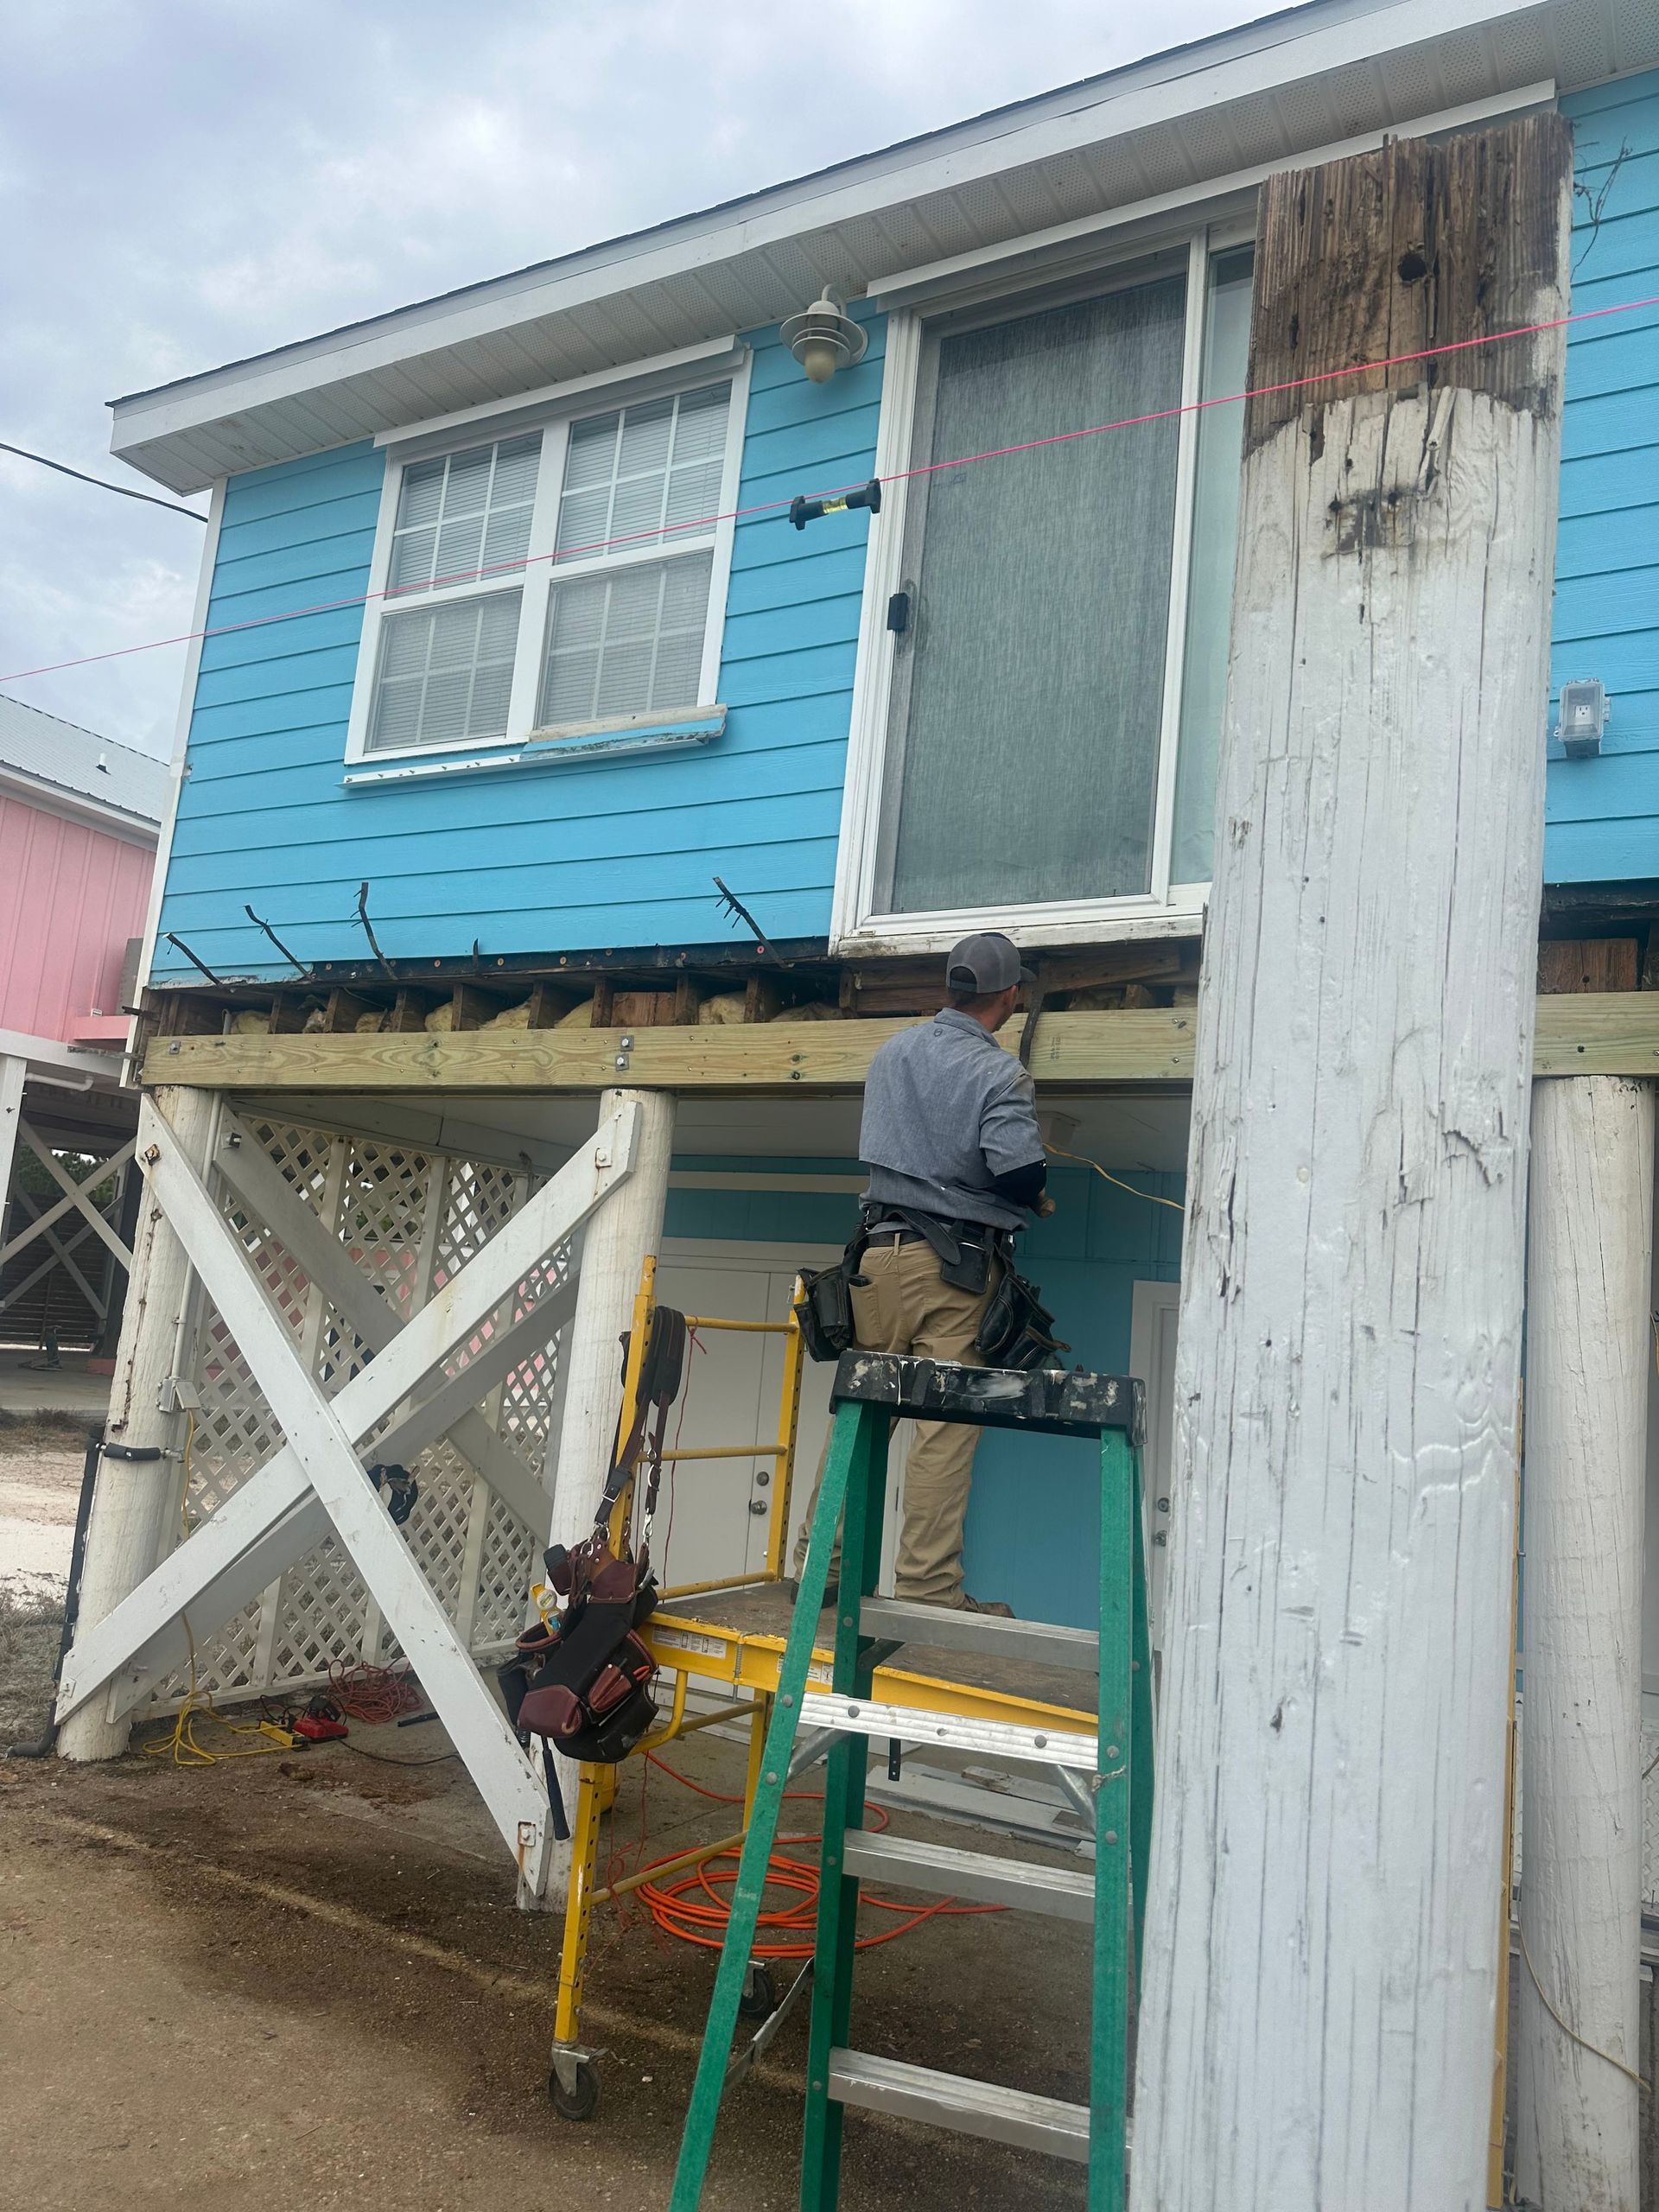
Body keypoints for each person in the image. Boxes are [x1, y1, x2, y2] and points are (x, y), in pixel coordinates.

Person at [791, 931, 1049, 1615]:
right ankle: (929, 1591)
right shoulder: (999, 1075)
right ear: (1010, 995)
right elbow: (1016, 1170)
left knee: (863, 1414)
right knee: (944, 1427)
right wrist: (1034, 1193)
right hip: (953, 1270)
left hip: (874, 1260)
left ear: (953, 989)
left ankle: (825, 1569)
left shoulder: (892, 1054)